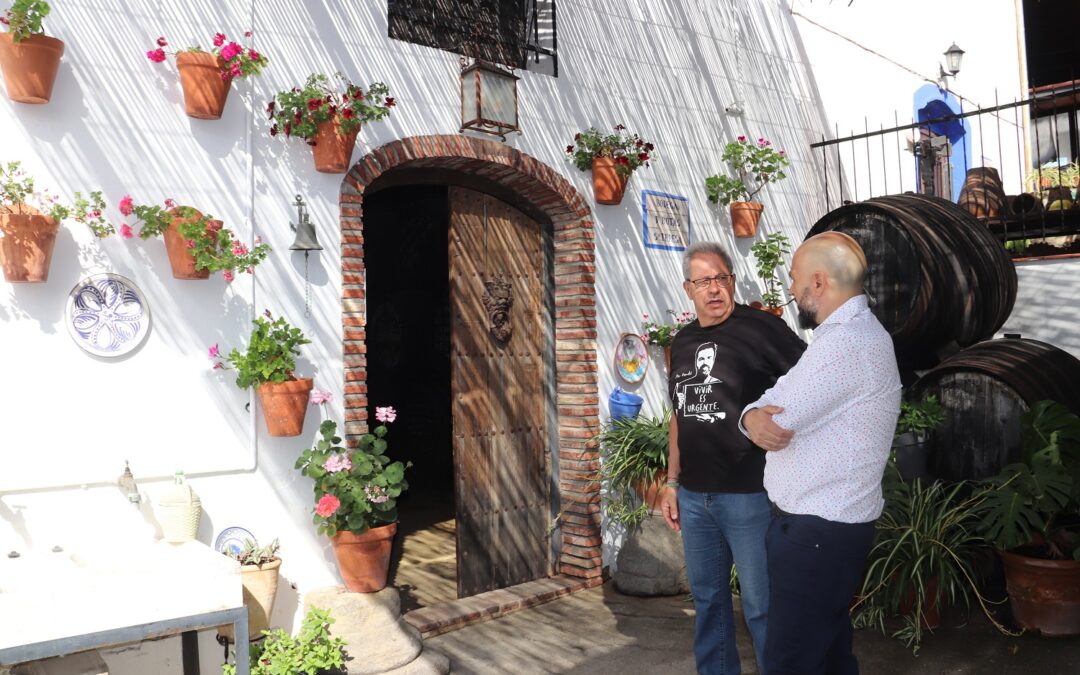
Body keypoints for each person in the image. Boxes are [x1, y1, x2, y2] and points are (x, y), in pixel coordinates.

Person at [740, 231, 901, 675]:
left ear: (818, 282)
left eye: (793, 280)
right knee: (828, 658)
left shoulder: (846, 344)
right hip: (826, 530)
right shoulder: (849, 337)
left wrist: (754, 416)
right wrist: (751, 415)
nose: (790, 290)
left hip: (816, 534)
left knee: (791, 661)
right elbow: (777, 395)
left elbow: (778, 417)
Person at [660, 241, 806, 675]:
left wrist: (775, 419)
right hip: (693, 497)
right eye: (704, 281)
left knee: (762, 606)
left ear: (732, 281)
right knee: (708, 601)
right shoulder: (683, 342)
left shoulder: (761, 328)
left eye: (721, 278)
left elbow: (810, 381)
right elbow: (678, 413)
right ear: (688, 289)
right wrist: (671, 482)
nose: (715, 289)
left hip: (749, 496)